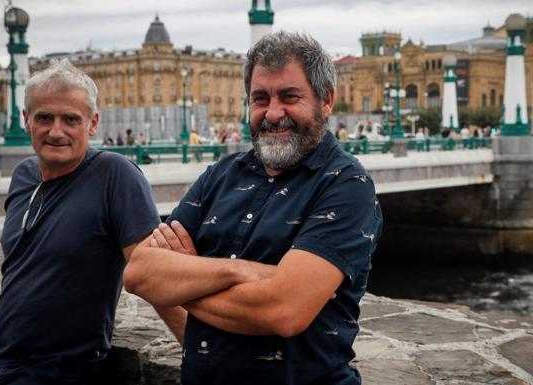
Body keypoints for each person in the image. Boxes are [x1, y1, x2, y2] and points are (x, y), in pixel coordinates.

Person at [124, 31, 383, 385]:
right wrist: (244, 272)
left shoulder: (346, 184)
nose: (273, 113)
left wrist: (184, 281)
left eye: (289, 97)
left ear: (326, 101)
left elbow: (284, 311)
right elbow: (139, 273)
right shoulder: (220, 175)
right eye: (260, 98)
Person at [0, 59, 161, 385]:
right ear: (26, 121)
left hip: (63, 370)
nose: (56, 131)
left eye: (70, 119)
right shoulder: (23, 175)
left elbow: (154, 272)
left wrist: (199, 350)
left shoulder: (115, 174)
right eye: (45, 118)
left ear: (92, 124)